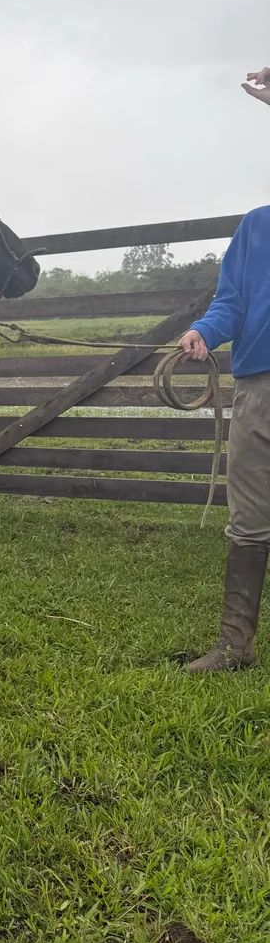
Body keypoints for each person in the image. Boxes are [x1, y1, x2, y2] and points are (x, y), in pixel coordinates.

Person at [177, 67, 270, 672]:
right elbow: (231, 301)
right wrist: (204, 332)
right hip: (258, 390)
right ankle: (236, 645)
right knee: (250, 516)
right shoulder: (255, 227)